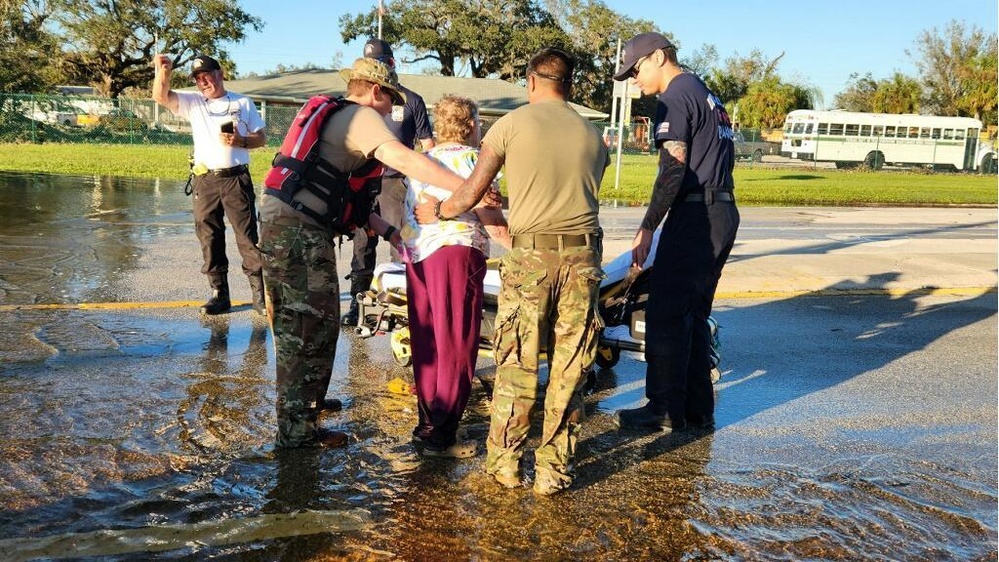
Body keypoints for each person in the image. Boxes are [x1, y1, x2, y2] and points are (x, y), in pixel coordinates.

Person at [414, 47, 609, 495]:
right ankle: (553, 471)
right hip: (583, 260)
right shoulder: (594, 135)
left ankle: (505, 464)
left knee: (518, 362)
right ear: (569, 84)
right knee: (569, 368)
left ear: (532, 81)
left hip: (531, 258)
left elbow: (471, 193)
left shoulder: (510, 126)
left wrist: (439, 211)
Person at [258, 57, 481, 449]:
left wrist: (391, 233)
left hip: (292, 227)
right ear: (375, 91)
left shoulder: (338, 117)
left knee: (314, 322)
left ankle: (305, 403)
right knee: (306, 328)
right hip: (298, 233)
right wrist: (467, 187)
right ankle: (296, 431)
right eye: (389, 101)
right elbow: (406, 160)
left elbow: (354, 205)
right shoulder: (362, 117)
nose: (391, 112)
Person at [610, 32, 740, 433]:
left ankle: (664, 409)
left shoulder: (676, 95)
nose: (634, 81)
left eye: (636, 70)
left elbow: (673, 167)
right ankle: (697, 410)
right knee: (694, 314)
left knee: (666, 311)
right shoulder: (704, 93)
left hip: (696, 215)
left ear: (659, 57)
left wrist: (648, 226)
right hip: (721, 211)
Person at [402, 95, 510, 458]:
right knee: (457, 343)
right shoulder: (473, 160)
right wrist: (517, 245)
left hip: (419, 257)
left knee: (428, 342)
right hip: (457, 251)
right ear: (471, 124)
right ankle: (442, 435)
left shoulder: (422, 161)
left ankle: (428, 424)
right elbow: (489, 216)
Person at [152, 54, 267, 316]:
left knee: (247, 237)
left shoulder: (242, 102)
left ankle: (259, 294)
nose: (205, 82)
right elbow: (160, 97)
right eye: (199, 79)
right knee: (209, 237)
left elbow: (260, 137)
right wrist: (163, 71)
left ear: (220, 73)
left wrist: (241, 142)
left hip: (236, 178)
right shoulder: (193, 102)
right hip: (205, 180)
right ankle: (219, 294)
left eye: (209, 75)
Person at [341, 38, 436, 328]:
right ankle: (360, 305)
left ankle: (401, 308)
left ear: (392, 62)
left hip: (395, 183)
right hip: (363, 180)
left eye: (381, 61)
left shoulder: (411, 100)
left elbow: (427, 145)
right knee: (362, 243)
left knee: (399, 243)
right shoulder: (357, 104)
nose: (377, 66)